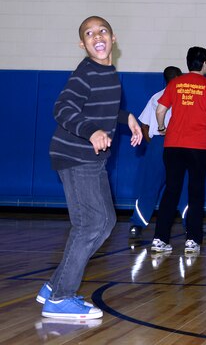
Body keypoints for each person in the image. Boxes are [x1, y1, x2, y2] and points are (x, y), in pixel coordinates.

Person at [38, 16, 143, 320]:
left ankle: (54, 286)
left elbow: (102, 109)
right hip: (75, 156)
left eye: (102, 31)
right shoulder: (86, 73)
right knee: (89, 225)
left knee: (106, 221)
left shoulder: (108, 72)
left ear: (114, 37)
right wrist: (91, 132)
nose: (97, 36)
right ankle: (60, 299)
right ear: (82, 44)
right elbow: (63, 108)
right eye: (89, 33)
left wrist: (127, 119)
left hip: (91, 159)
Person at [151, 47, 206, 255]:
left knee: (171, 191)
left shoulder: (175, 83)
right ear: (205, 62)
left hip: (173, 145)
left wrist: (162, 128)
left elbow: (160, 110)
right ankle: (192, 241)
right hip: (198, 147)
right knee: (195, 192)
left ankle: (160, 239)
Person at [129, 66, 188, 240]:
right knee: (184, 186)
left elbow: (145, 126)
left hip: (158, 144)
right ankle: (190, 226)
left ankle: (137, 225)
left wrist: (153, 144)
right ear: (179, 77)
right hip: (178, 143)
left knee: (149, 186)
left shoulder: (156, 97)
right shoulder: (185, 97)